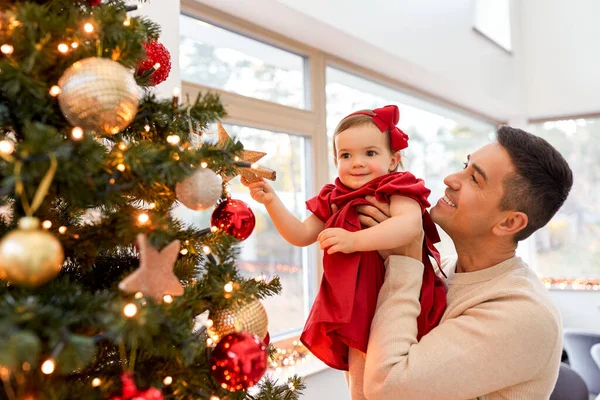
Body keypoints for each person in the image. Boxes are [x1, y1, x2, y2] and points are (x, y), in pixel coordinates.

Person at [349, 126, 572, 399]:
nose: (451, 179)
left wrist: (403, 262)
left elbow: (385, 388)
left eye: (475, 179)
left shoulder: (523, 314)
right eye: (464, 166)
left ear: (509, 222)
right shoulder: (436, 270)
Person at [241, 105, 446, 396]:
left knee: (394, 378)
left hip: (399, 300)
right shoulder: (334, 196)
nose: (356, 163)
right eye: (345, 155)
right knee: (359, 383)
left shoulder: (398, 188)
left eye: (370, 153)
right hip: (353, 306)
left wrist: (354, 241)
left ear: (393, 160)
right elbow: (300, 235)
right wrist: (271, 202)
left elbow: (409, 226)